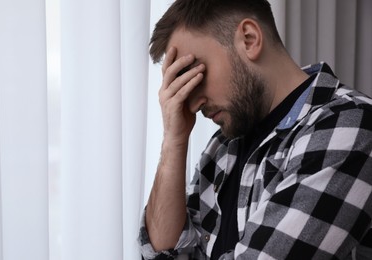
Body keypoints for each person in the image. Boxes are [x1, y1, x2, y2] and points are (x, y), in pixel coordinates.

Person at [138, 0, 372, 259]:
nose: (191, 104)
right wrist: (174, 140)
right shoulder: (222, 146)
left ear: (249, 39)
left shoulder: (349, 126)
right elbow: (161, 254)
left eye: (195, 74)